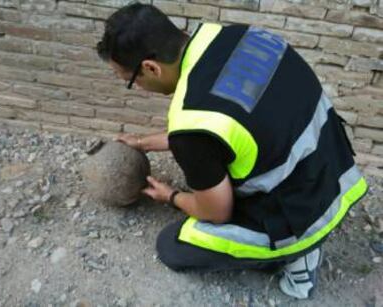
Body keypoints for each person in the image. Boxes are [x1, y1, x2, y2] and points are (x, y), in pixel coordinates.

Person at [96, 2, 368, 299]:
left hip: (304, 212)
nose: (137, 87)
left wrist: (171, 196)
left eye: (130, 81)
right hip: (334, 170)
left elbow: (217, 213)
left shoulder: (192, 123)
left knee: (172, 245)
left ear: (150, 68)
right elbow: (231, 121)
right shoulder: (240, 36)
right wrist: (144, 142)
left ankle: (295, 257)